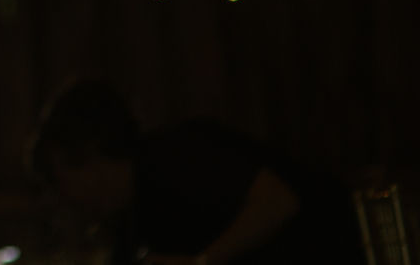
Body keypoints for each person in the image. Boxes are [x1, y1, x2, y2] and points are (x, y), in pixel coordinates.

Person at [31, 77, 367, 265]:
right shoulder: (134, 222)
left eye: (61, 178)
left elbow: (279, 201)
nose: (66, 198)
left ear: (91, 154)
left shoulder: (178, 156)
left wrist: (201, 263)